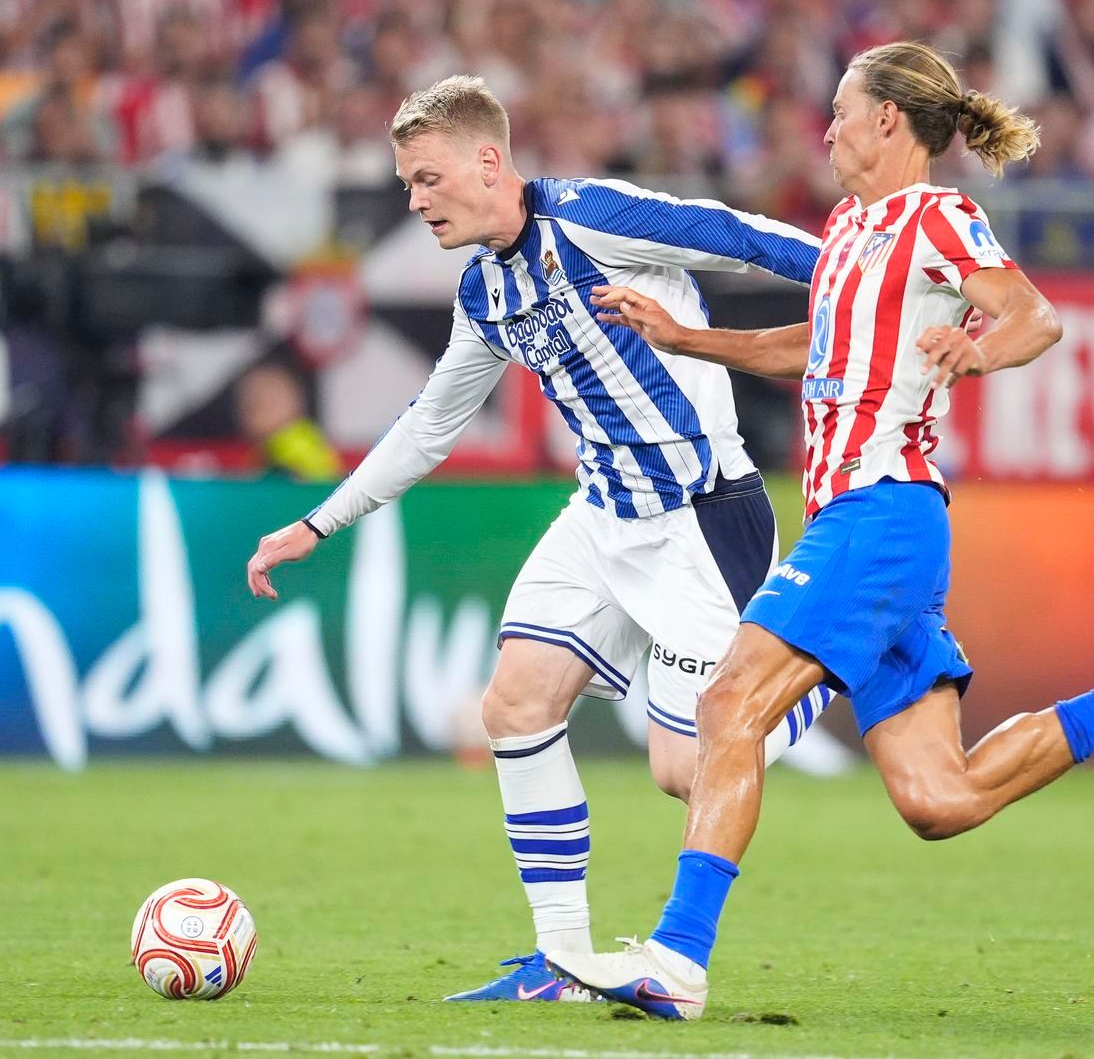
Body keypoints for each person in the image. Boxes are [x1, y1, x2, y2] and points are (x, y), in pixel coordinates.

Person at [545, 41, 1094, 1021]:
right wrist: (690, 339)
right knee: (938, 800)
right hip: (877, 526)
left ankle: (678, 960)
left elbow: (1035, 317)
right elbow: (811, 343)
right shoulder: (852, 227)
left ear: (889, 121)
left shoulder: (937, 217)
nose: (827, 128)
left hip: (880, 512)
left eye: (841, 111)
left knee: (729, 704)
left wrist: (975, 352)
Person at [243, 75, 837, 1003]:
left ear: (489, 161)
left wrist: (871, 283)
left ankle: (823, 664)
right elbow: (430, 422)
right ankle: (562, 961)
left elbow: (738, 235)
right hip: (601, 516)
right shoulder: (484, 294)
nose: (415, 200)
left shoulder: (596, 221)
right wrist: (320, 522)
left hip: (698, 514)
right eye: (407, 184)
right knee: (515, 706)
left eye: (427, 178)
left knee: (685, 771)